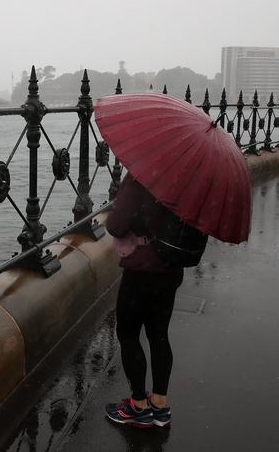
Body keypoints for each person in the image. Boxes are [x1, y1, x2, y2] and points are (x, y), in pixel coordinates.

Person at [104, 172, 183, 428]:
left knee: (128, 335)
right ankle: (159, 405)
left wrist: (120, 199)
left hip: (141, 270)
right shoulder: (185, 177)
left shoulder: (141, 175)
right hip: (171, 267)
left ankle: (138, 406)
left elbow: (115, 225)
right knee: (159, 334)